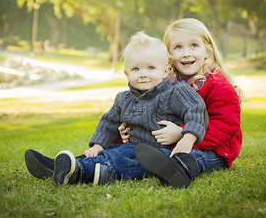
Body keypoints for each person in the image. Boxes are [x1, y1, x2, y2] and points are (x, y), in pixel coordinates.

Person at [25, 31, 207, 187]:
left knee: (128, 163)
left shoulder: (176, 92)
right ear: (126, 73)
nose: (143, 74)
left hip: (162, 153)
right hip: (132, 146)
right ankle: (66, 167)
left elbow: (196, 110)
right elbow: (108, 122)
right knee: (109, 153)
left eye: (151, 68)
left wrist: (188, 138)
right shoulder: (124, 99)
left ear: (165, 71)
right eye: (136, 69)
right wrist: (97, 145)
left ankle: (81, 171)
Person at [130, 18, 243, 188]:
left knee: (196, 156)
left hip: (215, 149)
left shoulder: (216, 84)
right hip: (177, 144)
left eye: (194, 45)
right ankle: (99, 162)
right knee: (146, 151)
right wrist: (126, 132)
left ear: (208, 51)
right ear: (167, 55)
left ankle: (179, 171)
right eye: (178, 47)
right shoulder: (167, 84)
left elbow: (226, 124)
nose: (186, 53)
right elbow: (149, 115)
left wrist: (184, 134)